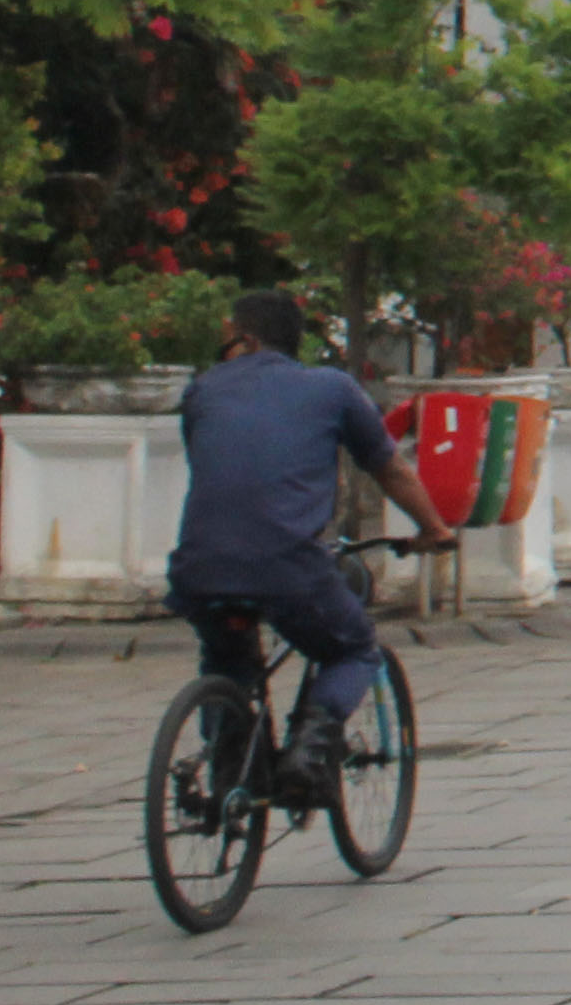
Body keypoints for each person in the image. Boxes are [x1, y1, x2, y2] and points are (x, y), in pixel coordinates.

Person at [168, 293, 454, 803]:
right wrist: (433, 528)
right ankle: (309, 752)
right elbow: (389, 468)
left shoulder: (203, 389)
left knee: (225, 661)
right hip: (286, 565)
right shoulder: (333, 388)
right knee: (353, 648)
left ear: (248, 341)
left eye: (227, 339)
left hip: (200, 566)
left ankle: (234, 778)